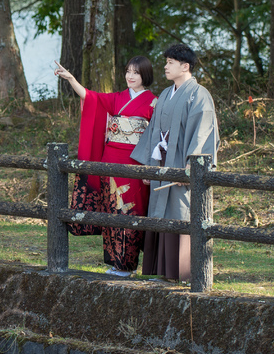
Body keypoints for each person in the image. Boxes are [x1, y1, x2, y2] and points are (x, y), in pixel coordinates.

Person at [54, 57, 157, 276]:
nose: (130, 76)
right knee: (110, 209)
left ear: (145, 76)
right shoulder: (118, 98)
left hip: (135, 162)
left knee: (129, 210)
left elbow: (156, 138)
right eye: (128, 71)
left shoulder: (154, 103)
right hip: (109, 159)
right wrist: (71, 78)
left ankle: (127, 264)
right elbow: (90, 97)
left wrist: (152, 164)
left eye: (136, 73)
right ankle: (115, 262)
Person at [131, 43, 219, 282]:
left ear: (185, 66)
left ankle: (182, 272)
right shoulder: (166, 95)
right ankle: (162, 271)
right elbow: (152, 133)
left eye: (170, 62)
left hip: (181, 166)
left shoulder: (199, 94)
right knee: (159, 212)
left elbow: (203, 132)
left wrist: (191, 167)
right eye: (166, 62)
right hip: (161, 164)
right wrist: (150, 166)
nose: (165, 67)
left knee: (180, 213)